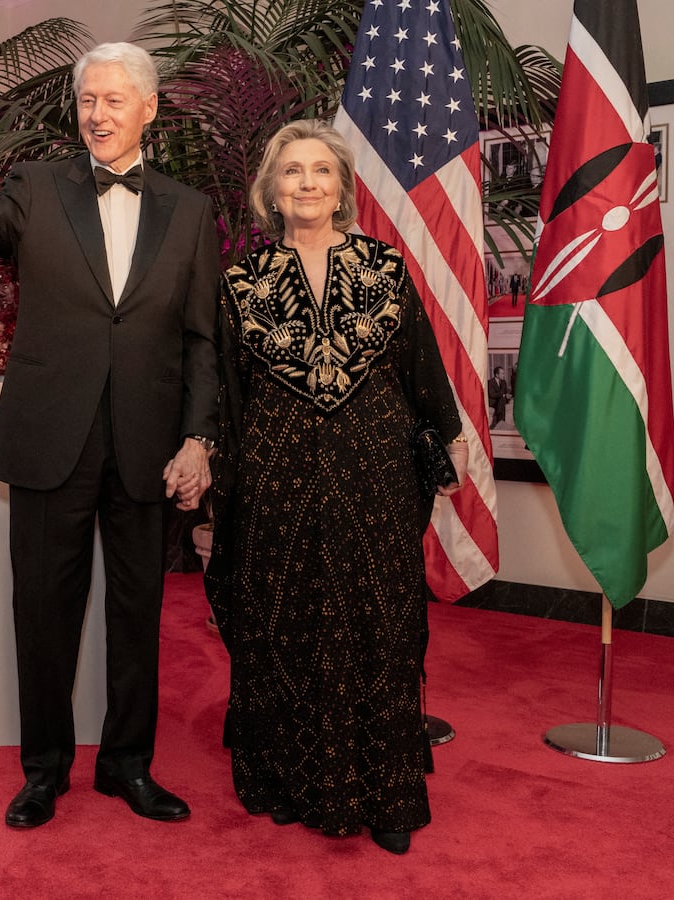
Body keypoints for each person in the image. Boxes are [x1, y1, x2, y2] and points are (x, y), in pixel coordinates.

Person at [0, 42, 220, 829]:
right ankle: (42, 772)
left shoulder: (189, 209)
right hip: (53, 436)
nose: (98, 114)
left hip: (149, 444)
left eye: (116, 100)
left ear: (150, 109)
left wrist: (197, 439)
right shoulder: (38, 186)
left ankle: (128, 767)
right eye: (88, 100)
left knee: (136, 613)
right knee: (42, 613)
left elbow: (201, 340)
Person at [203, 120, 467, 856]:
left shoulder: (384, 268)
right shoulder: (241, 283)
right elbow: (226, 390)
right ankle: (287, 781)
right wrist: (216, 475)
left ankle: (385, 793)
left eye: (322, 171)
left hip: (373, 471)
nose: (308, 183)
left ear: (343, 189)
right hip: (273, 475)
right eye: (292, 172)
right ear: (271, 191)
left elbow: (421, 365)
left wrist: (452, 437)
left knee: (378, 621)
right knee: (284, 620)